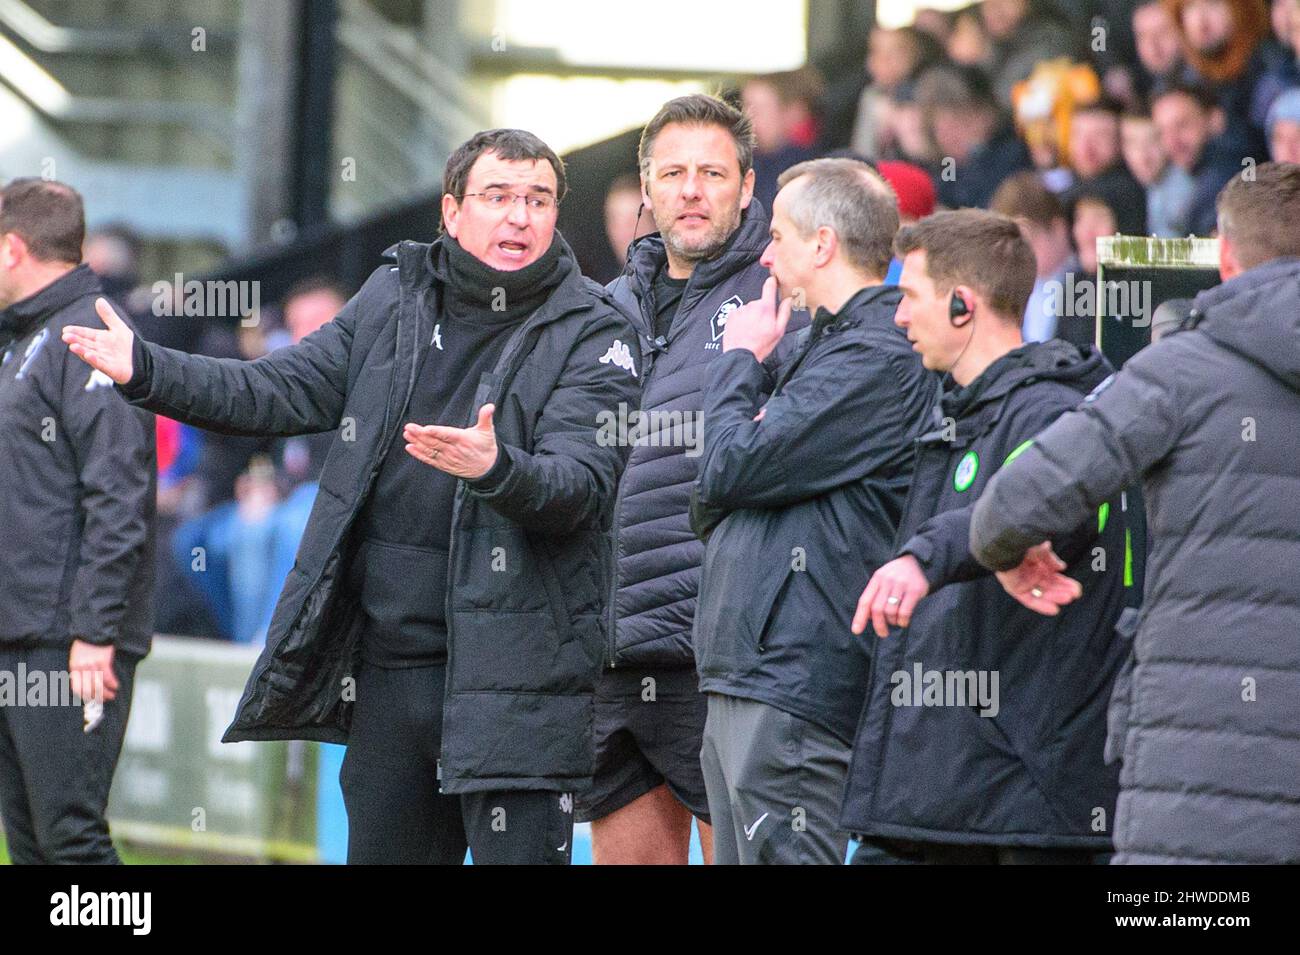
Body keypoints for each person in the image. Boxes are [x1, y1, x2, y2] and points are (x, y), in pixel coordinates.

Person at [63, 129, 642, 865]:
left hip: (518, 682)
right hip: (389, 674)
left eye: (537, 200)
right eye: (497, 197)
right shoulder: (394, 296)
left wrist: (499, 468)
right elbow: (274, 388)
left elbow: (584, 485)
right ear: (451, 211)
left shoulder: (595, 328)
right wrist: (146, 368)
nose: (519, 217)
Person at [969, 162, 1300, 865]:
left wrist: (1006, 549)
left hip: (1190, 774)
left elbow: (1013, 502)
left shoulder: (1175, 371)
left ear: (1225, 254)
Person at [841, 209, 1126, 865]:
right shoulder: (951, 408)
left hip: (1016, 805)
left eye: (910, 297)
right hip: (945, 794)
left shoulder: (1052, 409)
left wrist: (929, 556)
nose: (899, 317)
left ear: (964, 304)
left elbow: (1050, 506)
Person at [691, 159, 933, 864]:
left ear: (823, 244)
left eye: (777, 235)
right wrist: (746, 423)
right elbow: (709, 494)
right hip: (745, 669)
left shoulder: (876, 357)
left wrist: (737, 363)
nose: (764, 254)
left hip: (794, 679)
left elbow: (728, 464)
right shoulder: (808, 348)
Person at [584, 94, 805, 864]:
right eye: (672, 172)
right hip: (616, 650)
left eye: (712, 172)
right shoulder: (603, 308)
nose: (691, 189)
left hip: (724, 657)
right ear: (646, 188)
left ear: (748, 187)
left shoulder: (784, 297)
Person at [0, 178, 156, 863]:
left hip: (69, 639)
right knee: (31, 839)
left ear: (11, 248)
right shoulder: (25, 339)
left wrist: (94, 629)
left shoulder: (92, 333)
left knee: (71, 836)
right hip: (21, 629)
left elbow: (119, 495)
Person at [1150, 82, 1243, 235]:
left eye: (1182, 125)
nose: (1172, 142)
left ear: (1214, 119)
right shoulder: (1180, 177)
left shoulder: (1226, 173)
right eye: (1162, 133)